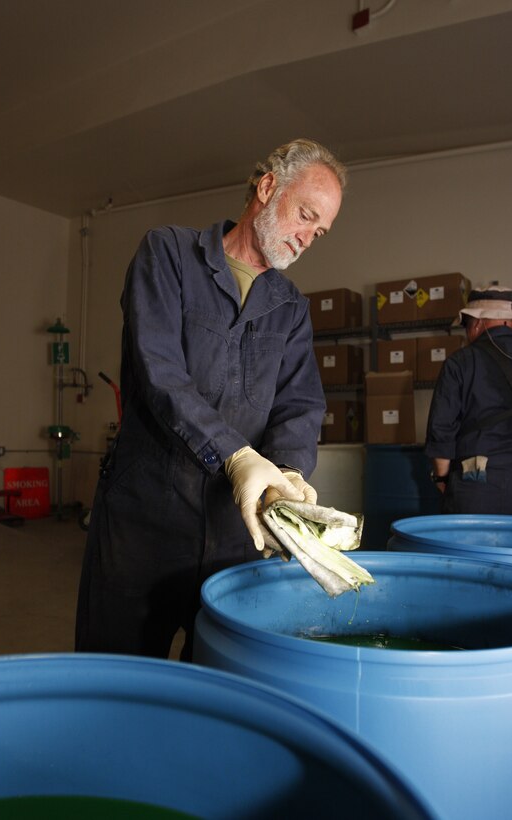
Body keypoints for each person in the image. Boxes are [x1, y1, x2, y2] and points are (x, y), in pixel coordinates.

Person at [75, 138, 347, 660]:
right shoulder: (169, 254)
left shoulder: (289, 307)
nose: (308, 237)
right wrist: (236, 455)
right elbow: (160, 373)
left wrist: (287, 474)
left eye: (320, 231)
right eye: (306, 215)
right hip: (144, 519)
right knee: (118, 679)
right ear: (268, 188)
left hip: (234, 532)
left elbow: (300, 404)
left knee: (217, 684)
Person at [425, 283, 512, 514]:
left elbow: (441, 430)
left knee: (466, 550)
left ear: (476, 323)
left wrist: (441, 477)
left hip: (477, 482)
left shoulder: (461, 362)